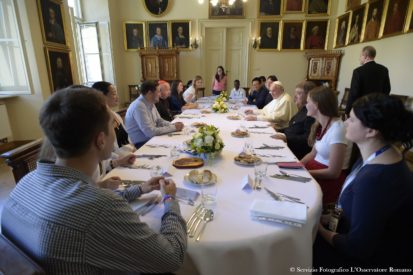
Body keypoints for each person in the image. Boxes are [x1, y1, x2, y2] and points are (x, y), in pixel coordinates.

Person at [1, 86, 187, 274]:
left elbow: (87, 207)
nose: (115, 129)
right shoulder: (101, 207)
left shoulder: (25, 183)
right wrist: (170, 200)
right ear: (100, 140)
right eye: (111, 125)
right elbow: (171, 257)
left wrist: (140, 189)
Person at [314, 93, 413, 269]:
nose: (345, 123)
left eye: (351, 120)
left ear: (371, 131)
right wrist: (326, 218)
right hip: (353, 238)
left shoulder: (375, 179)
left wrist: (319, 229)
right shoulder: (381, 153)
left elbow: (357, 247)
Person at [301, 86, 352, 206]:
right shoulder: (321, 124)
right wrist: (297, 165)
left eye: (308, 102)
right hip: (314, 172)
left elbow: (334, 172)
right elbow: (312, 154)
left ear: (317, 105)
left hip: (327, 180)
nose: (305, 104)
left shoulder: (338, 129)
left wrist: (306, 172)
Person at [125, 80, 184, 148]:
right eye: (158, 91)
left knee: (178, 142)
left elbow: (159, 121)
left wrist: (173, 125)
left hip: (151, 139)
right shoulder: (139, 106)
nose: (160, 94)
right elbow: (150, 132)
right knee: (175, 147)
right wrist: (174, 128)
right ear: (150, 93)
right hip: (141, 144)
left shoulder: (150, 102)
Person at [271, 81, 316, 159]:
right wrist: (278, 129)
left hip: (296, 152)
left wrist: (286, 137)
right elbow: (293, 128)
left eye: (299, 93)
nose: (295, 97)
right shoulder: (303, 109)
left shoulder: (310, 113)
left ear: (309, 95)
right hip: (289, 145)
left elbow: (307, 139)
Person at [345, 46, 391, 115]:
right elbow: (387, 89)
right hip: (377, 109)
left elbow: (354, 93)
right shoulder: (384, 69)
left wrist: (348, 111)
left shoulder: (358, 71)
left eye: (360, 56)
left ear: (366, 56)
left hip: (361, 110)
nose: (359, 58)